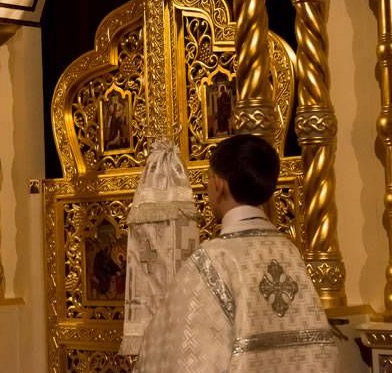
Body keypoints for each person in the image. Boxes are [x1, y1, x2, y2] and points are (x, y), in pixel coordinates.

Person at [135, 135, 338, 372]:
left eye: (208, 179)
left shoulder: (212, 260)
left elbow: (181, 354)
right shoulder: (289, 253)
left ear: (219, 185)